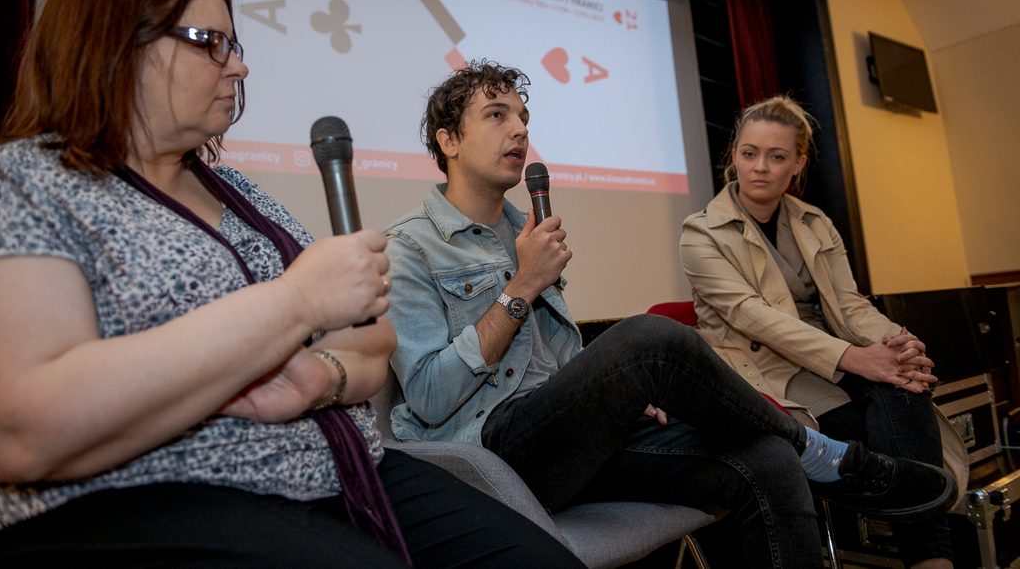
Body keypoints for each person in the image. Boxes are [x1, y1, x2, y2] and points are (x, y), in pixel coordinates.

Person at [0, 0, 588, 568]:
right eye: (209, 42)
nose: (238, 67)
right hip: (165, 494)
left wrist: (321, 375)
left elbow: (371, 339)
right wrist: (295, 304)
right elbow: (28, 429)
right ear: (115, 44)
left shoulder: (240, 194)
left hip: (346, 469)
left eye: (234, 45)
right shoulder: (29, 181)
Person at [383, 61, 958, 569]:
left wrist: (614, 397)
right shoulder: (409, 247)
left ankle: (802, 453)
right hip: (492, 453)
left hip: (565, 441)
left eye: (523, 117)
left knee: (768, 461)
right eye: (496, 115)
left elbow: (554, 364)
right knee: (648, 338)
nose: (519, 129)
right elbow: (430, 396)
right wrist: (521, 287)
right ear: (448, 141)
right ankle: (821, 450)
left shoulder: (525, 231)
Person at [680, 95, 967, 569]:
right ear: (734, 155)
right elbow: (754, 317)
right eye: (749, 153)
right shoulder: (700, 233)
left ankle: (929, 559)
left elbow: (850, 304)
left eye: (776, 156)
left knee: (904, 386)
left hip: (831, 355)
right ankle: (931, 556)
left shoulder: (815, 222)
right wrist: (858, 360)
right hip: (766, 371)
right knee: (880, 421)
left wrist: (898, 344)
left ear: (797, 164)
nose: (760, 167)